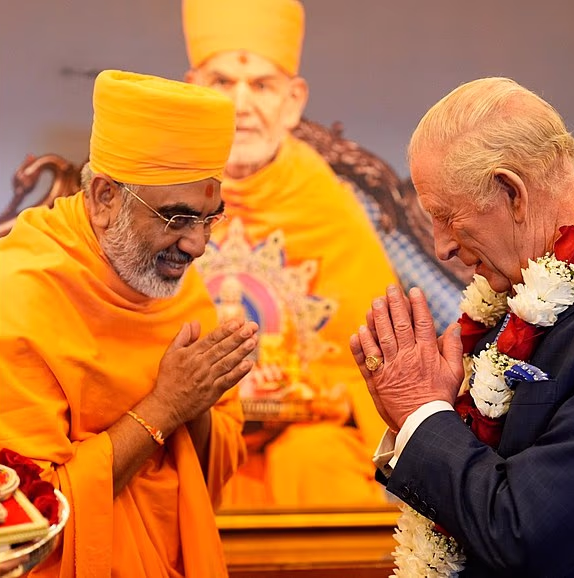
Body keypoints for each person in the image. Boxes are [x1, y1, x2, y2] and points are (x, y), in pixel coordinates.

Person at [351, 77, 574, 577]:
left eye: (445, 216)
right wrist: (426, 416)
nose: (440, 247)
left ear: (512, 192)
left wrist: (421, 415)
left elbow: (526, 530)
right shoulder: (514, 295)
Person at [0, 69, 259, 577]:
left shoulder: (175, 285)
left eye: (209, 219)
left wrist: (197, 401)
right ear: (103, 199)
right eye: (176, 219)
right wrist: (165, 407)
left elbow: (216, 462)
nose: (198, 246)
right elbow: (27, 515)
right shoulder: (24, 293)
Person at [181, 0, 399, 507]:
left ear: (293, 100)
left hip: (302, 433)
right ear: (193, 87)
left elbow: (379, 359)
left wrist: (310, 391)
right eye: (221, 82)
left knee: (319, 466)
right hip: (185, 427)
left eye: (261, 85)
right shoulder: (157, 189)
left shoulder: (327, 204)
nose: (240, 105)